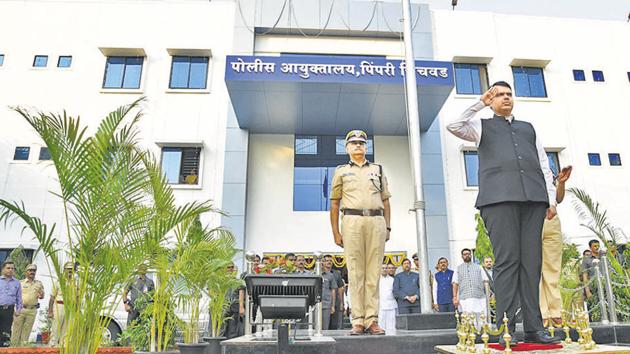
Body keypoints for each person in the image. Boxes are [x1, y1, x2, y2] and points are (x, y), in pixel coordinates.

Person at [447, 81, 560, 345]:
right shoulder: (481, 126)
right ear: (491, 99)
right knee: (508, 261)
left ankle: (534, 327)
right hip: (498, 200)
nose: (506, 98)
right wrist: (480, 102)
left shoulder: (528, 128)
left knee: (531, 263)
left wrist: (551, 198)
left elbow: (543, 163)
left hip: (533, 199)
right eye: (499, 95)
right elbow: (453, 125)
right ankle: (505, 326)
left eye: (509, 94)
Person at [330, 129, 391, 335]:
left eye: (362, 143)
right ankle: (357, 320)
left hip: (376, 220)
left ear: (366, 147)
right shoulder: (340, 171)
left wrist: (388, 226)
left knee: (373, 273)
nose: (358, 145)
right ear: (347, 148)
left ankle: (372, 320)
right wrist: (336, 232)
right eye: (354, 143)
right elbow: (335, 203)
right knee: (355, 273)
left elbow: (386, 200)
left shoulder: (378, 169)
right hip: (352, 221)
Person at [540, 165, 572, 327]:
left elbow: (558, 199)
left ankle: (555, 310)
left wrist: (561, 183)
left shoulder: (549, 179)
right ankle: (543, 311)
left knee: (552, 267)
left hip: (552, 221)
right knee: (536, 267)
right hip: (532, 220)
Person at [452, 249, 488, 328]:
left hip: (479, 296)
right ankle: (471, 335)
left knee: (481, 316)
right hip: (465, 297)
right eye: (465, 254)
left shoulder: (479, 267)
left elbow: (485, 281)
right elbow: (455, 283)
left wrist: (489, 294)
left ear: (471, 255)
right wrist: (455, 297)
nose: (467, 255)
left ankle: (482, 334)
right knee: (468, 316)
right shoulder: (458, 269)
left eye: (468, 254)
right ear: (462, 256)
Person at [11, 264, 44, 346]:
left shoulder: (39, 284)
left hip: (32, 310)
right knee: (16, 331)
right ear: (26, 272)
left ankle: (22, 349)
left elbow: (42, 296)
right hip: (21, 309)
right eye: (30, 270)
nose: (32, 272)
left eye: (34, 270)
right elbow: (13, 296)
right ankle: (14, 348)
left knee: (26, 332)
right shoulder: (20, 283)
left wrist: (41, 295)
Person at [49, 262, 74, 347]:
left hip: (71, 307)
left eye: (72, 269)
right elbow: (52, 297)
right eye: (68, 269)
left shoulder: (75, 283)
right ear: (64, 270)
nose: (70, 271)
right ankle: (52, 346)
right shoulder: (58, 282)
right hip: (60, 306)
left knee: (67, 330)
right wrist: (50, 311)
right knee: (56, 328)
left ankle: (63, 347)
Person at [0, 261, 22, 347]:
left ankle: (4, 349)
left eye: (12, 268)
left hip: (9, 309)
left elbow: (19, 297)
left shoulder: (17, 282)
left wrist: (19, 309)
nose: (10, 270)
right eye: (8, 268)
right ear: (3, 269)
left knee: (6, 331)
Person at [222, 262, 245, 339]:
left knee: (233, 331)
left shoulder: (238, 281)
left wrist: (241, 307)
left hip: (234, 308)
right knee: (221, 330)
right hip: (222, 308)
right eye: (228, 267)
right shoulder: (220, 281)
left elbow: (241, 293)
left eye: (232, 267)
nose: (230, 269)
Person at [323, 255, 345, 330]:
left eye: (330, 261)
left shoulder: (336, 273)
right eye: (327, 260)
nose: (329, 262)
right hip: (325, 302)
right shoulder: (319, 273)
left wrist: (342, 303)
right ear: (323, 262)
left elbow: (340, 288)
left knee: (335, 325)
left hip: (336, 302)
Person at [581, 239, 601, 318]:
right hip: (593, 289)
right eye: (595, 246)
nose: (597, 248)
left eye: (598, 246)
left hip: (605, 287)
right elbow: (585, 275)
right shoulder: (586, 260)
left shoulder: (603, 257)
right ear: (590, 247)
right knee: (594, 312)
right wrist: (587, 291)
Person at [378, 264, 397, 335]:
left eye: (386, 268)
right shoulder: (377, 280)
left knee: (391, 324)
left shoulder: (392, 280)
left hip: (391, 305)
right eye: (382, 268)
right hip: (381, 305)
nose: (384, 269)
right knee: (381, 324)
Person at [320, 255, 338, 330]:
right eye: (321, 262)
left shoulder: (330, 275)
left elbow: (333, 291)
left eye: (323, 261)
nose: (321, 263)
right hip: (313, 305)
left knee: (325, 327)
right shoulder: (312, 275)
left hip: (326, 305)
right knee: (313, 327)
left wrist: (333, 306)